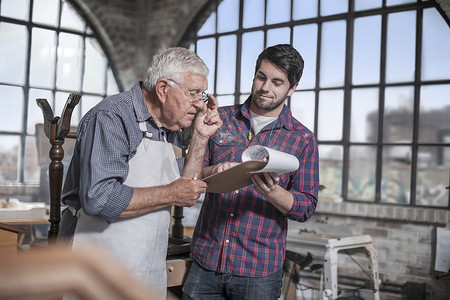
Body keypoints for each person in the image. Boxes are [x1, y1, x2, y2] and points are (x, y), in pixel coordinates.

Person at [58, 47, 222, 299]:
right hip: (94, 259)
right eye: (193, 93)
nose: (200, 104)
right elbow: (99, 198)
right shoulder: (112, 116)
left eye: (203, 94)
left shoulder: (170, 127)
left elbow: (182, 184)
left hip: (143, 262)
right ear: (163, 89)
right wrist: (170, 193)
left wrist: (200, 138)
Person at [182, 44, 319, 300]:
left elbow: (306, 208)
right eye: (261, 77)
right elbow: (189, 178)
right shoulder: (219, 118)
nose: (266, 87)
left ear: (292, 88)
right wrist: (216, 169)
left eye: (277, 82)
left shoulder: (303, 140)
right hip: (206, 260)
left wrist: (272, 191)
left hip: (258, 271)